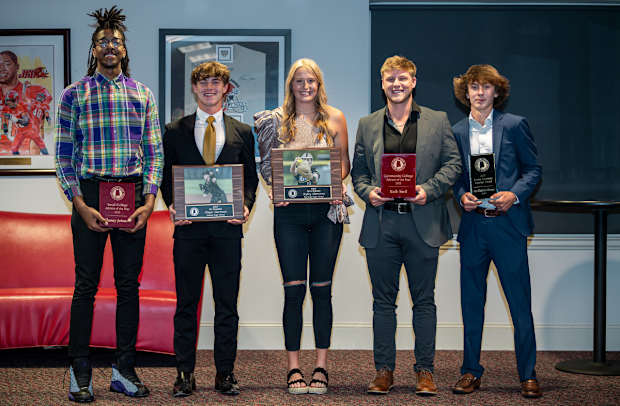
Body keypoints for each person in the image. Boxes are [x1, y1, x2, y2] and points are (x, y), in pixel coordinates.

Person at [54, 6, 163, 402]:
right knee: (85, 285)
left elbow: (154, 153)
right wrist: (80, 204)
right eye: (103, 41)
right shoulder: (74, 95)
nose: (110, 46)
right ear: (94, 49)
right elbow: (63, 156)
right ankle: (79, 370)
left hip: (131, 197)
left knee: (128, 286)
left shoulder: (142, 94)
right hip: (89, 196)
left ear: (124, 48)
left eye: (116, 41)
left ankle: (123, 369)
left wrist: (149, 202)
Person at [351, 55, 462, 396]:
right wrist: (368, 193)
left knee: (424, 301)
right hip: (382, 222)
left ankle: (425, 371)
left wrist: (429, 190)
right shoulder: (368, 123)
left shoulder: (437, 120)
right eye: (390, 79)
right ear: (382, 83)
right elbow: (359, 173)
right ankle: (383, 371)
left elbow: (453, 163)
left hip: (422, 223)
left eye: (402, 78)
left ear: (413, 82)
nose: (396, 84)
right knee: (382, 303)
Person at [160, 61, 258, 397]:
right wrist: (173, 205)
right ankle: (184, 374)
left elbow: (250, 178)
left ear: (226, 88)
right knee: (186, 304)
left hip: (227, 232)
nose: (209, 88)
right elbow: (166, 177)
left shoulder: (242, 131)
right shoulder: (174, 130)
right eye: (203, 82)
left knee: (227, 305)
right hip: (188, 231)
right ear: (194, 88)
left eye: (216, 82)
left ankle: (225, 373)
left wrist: (246, 205)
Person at [254, 58, 350, 395]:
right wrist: (276, 189)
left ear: (318, 84)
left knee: (322, 290)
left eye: (311, 81)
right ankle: (293, 367)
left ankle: (321, 365)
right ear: (291, 86)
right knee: (294, 291)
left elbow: (344, 165)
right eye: (299, 81)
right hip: (289, 216)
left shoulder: (336, 117)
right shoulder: (276, 120)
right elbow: (268, 166)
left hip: (326, 215)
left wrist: (331, 182)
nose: (305, 86)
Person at [451, 64, 542, 398]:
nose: (479, 92)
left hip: (508, 225)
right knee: (471, 303)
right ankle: (470, 371)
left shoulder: (515, 125)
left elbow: (533, 170)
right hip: (474, 227)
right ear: (466, 92)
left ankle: (528, 374)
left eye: (486, 87)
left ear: (496, 91)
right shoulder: (457, 131)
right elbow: (455, 177)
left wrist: (514, 195)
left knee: (520, 303)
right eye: (474, 86)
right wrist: (462, 195)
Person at [0, 50, 51, 155]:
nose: (1, 68)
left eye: (7, 64)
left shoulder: (34, 91)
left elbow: (39, 113)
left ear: (17, 67)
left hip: (27, 153)